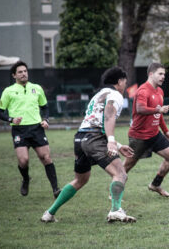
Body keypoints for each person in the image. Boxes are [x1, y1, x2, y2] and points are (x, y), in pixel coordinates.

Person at [40, 67, 136, 223]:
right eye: (125, 81)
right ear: (119, 81)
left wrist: (117, 145)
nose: (125, 85)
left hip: (80, 138)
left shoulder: (98, 95)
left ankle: (49, 213)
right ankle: (116, 210)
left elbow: (94, 122)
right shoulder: (116, 95)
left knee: (81, 179)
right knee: (120, 174)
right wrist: (111, 141)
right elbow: (109, 115)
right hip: (94, 138)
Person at [0, 61, 60, 198]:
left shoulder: (37, 88)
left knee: (46, 157)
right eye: (20, 72)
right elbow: (0, 112)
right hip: (19, 130)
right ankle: (26, 179)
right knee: (23, 160)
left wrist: (45, 119)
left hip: (37, 128)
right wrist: (11, 119)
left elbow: (45, 107)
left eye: (25, 71)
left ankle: (56, 189)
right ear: (14, 75)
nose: (23, 74)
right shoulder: (8, 91)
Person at [123, 63, 169, 197]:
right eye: (160, 74)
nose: (163, 77)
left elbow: (158, 115)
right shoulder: (143, 91)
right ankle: (115, 191)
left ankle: (155, 184)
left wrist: (165, 131)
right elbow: (141, 109)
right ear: (151, 74)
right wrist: (158, 109)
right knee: (127, 166)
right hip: (139, 136)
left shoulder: (160, 91)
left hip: (154, 134)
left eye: (164, 74)